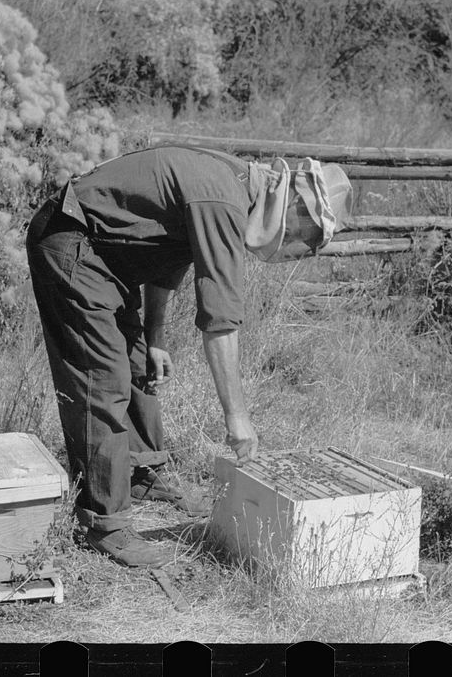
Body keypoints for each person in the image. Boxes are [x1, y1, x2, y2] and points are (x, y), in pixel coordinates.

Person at [26, 144, 352, 568]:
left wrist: (155, 336)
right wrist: (237, 416)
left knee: (138, 361)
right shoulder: (223, 199)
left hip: (108, 257)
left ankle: (141, 474)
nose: (295, 240)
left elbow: (167, 257)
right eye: (301, 230)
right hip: (72, 239)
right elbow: (220, 321)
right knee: (101, 378)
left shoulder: (237, 188)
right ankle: (102, 523)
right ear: (292, 200)